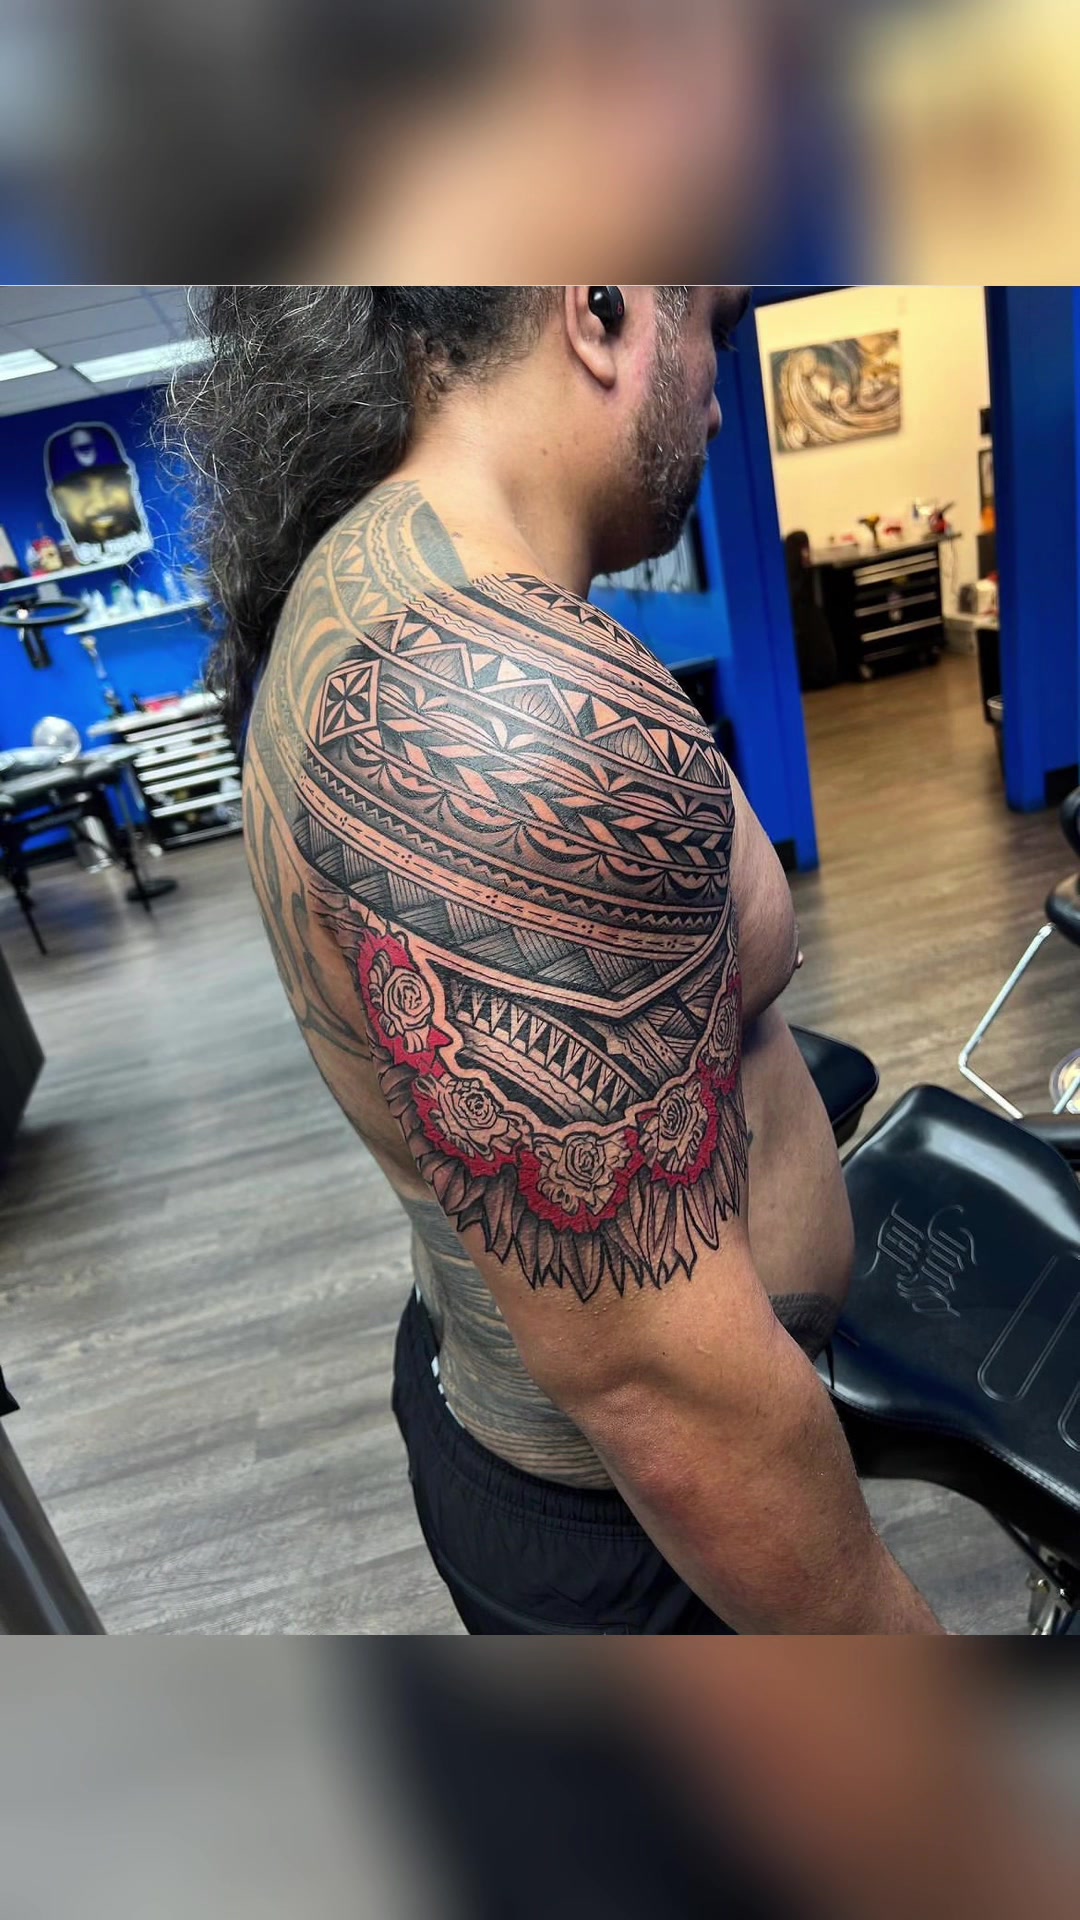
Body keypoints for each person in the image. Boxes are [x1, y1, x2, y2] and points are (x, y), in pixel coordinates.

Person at [172, 285, 942, 1633]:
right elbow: (663, 1394)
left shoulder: (405, 585)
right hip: (648, 1535)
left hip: (559, 1454)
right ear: (599, 305)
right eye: (714, 326)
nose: (719, 395)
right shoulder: (504, 710)